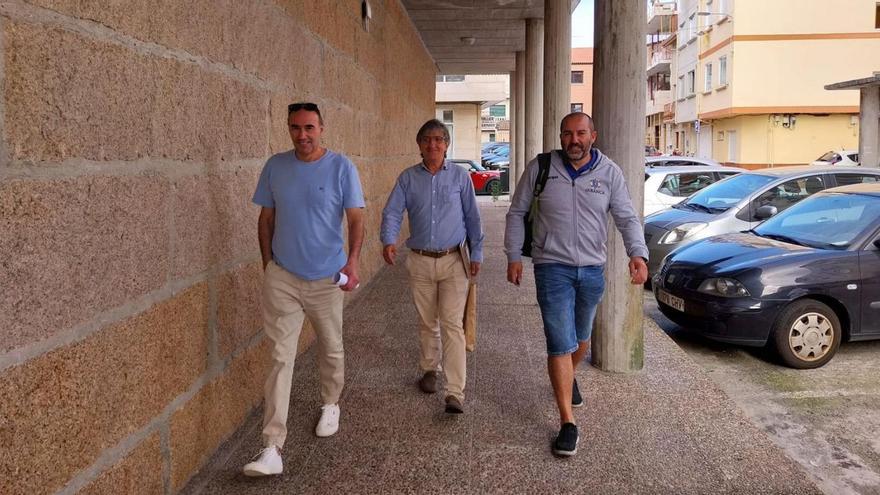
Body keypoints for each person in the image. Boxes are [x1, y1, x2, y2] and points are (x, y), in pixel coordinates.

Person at [504, 112, 648, 457]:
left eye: (580, 133)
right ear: (560, 136)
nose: (574, 140)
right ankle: (567, 422)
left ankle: (571, 374)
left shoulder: (609, 172)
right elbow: (515, 212)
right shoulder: (541, 168)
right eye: (567, 134)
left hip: (592, 270)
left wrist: (638, 254)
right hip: (551, 266)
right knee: (559, 342)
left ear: (592, 136)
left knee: (581, 338)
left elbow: (626, 217)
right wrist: (512, 255)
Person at [243, 102, 365, 477]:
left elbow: (356, 217)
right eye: (295, 128)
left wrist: (353, 261)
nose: (303, 135)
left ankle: (330, 403)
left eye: (309, 127)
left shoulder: (342, 167)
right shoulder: (275, 167)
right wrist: (268, 266)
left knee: (331, 346)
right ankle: (271, 447)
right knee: (282, 356)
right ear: (288, 129)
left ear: (322, 128)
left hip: (327, 277)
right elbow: (266, 218)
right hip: (283, 276)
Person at [380, 119, 484, 414]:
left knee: (452, 324)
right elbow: (392, 211)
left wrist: (477, 253)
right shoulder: (408, 178)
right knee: (428, 321)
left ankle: (454, 393)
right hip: (420, 261)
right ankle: (429, 369)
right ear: (419, 145)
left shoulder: (460, 178)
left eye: (439, 139)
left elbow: (473, 217)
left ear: (446, 145)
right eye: (427, 140)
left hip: (454, 260)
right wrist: (388, 240)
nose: (433, 145)